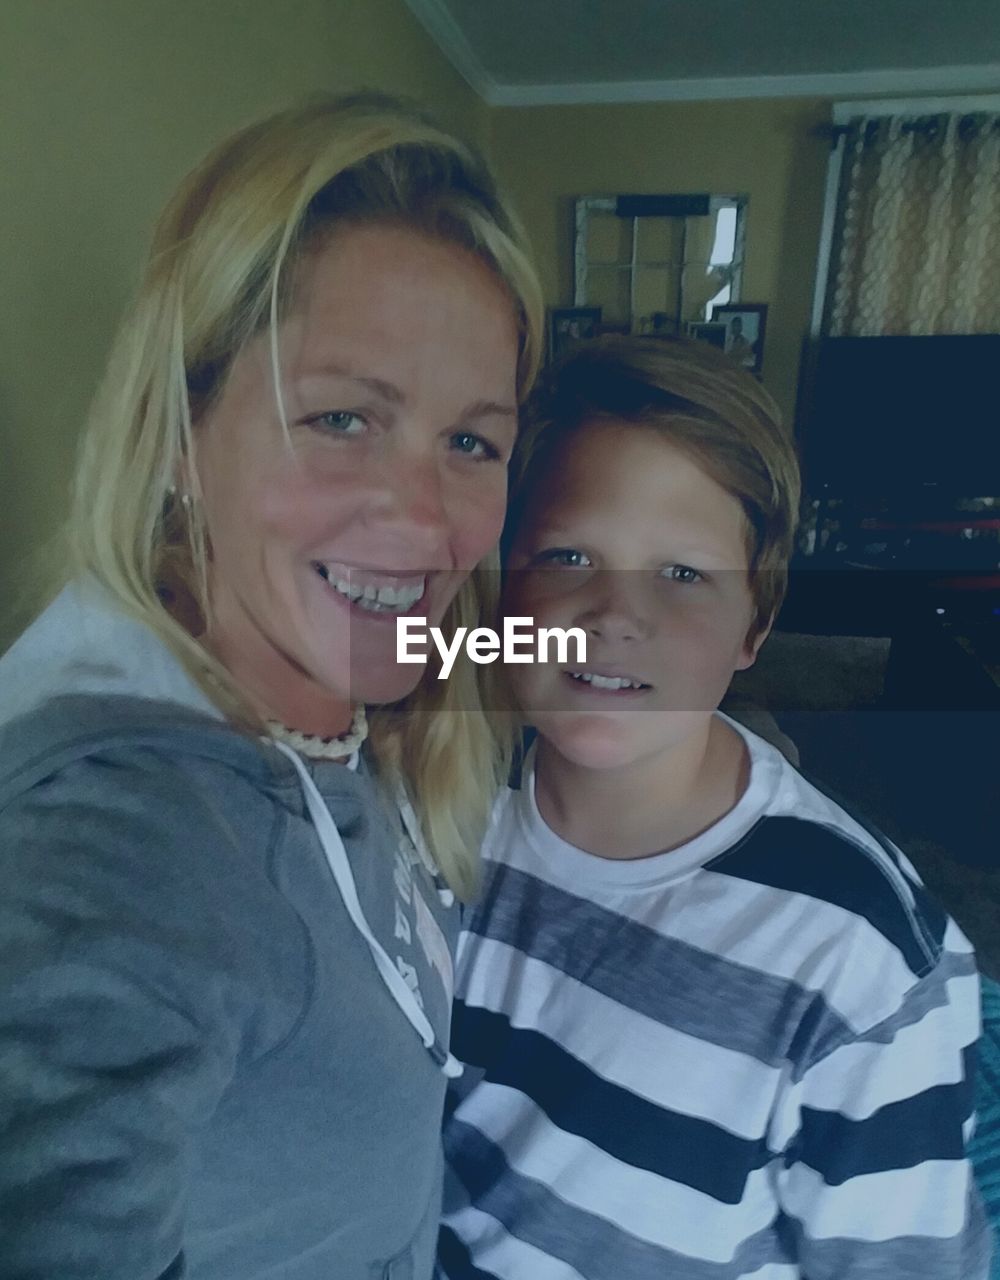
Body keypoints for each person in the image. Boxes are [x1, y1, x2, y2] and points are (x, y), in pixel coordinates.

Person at [0, 93, 543, 1279]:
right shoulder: (118, 836)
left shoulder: (345, 693)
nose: (422, 521)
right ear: (184, 437)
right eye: (343, 417)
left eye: (471, 443)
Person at [439, 336, 991, 1279]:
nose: (616, 614)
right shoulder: (445, 812)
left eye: (685, 575)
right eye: (568, 554)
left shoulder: (856, 961)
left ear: (756, 624)